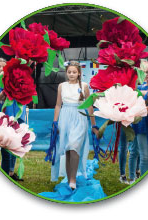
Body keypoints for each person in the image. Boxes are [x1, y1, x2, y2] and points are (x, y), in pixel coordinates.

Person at [51, 61, 98, 190]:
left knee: (74, 146)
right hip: (65, 117)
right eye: (69, 72)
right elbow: (58, 105)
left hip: (79, 116)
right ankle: (69, 177)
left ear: (79, 73)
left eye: (74, 72)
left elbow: (89, 105)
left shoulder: (84, 86)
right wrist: (55, 122)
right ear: (66, 73)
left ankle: (73, 179)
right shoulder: (62, 86)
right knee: (67, 148)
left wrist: (93, 125)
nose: (71, 74)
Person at [129, 63, 148, 183]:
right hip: (139, 124)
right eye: (146, 72)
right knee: (136, 151)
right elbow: (133, 94)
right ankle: (132, 177)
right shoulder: (139, 88)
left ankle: (142, 174)